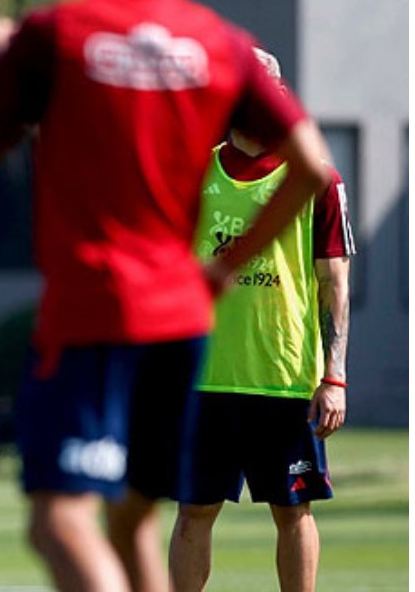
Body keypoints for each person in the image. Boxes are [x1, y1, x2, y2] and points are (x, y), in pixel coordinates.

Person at [0, 0, 332, 592]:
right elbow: (311, 163)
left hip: (94, 311)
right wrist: (226, 268)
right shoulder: (218, 43)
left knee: (60, 522)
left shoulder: (55, 35)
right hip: (181, 324)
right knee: (132, 523)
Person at [168, 49, 354, 592]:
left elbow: (334, 283)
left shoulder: (317, 178)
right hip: (204, 376)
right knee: (193, 510)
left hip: (285, 377)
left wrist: (334, 377)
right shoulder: (192, 170)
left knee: (293, 510)